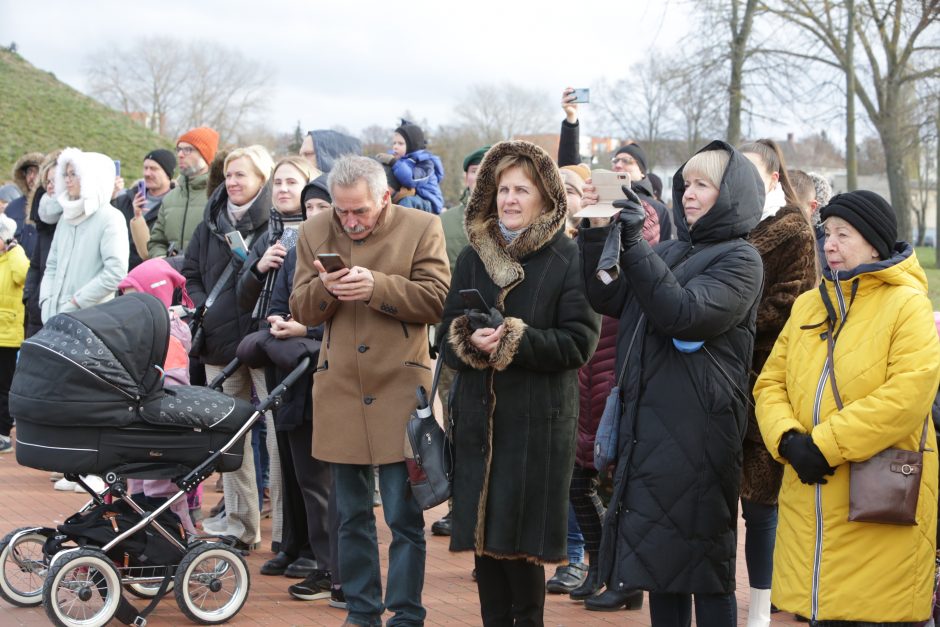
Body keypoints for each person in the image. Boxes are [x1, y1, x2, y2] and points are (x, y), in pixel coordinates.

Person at [579, 140, 764, 625]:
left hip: (700, 436)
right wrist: (596, 231)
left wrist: (638, 246)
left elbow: (683, 313)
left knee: (705, 570)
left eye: (703, 185)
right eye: (687, 184)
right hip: (652, 430)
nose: (688, 194)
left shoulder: (741, 260)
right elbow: (609, 296)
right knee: (659, 566)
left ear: (731, 195)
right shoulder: (673, 249)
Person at [754, 190, 940, 626]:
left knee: (875, 613)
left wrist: (823, 446)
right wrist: (788, 439)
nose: (830, 244)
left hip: (878, 500)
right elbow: (769, 383)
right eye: (827, 234)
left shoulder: (908, 305)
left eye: (844, 234)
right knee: (819, 610)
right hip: (809, 498)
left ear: (874, 243)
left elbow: (906, 396)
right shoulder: (807, 305)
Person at [440, 140, 600, 625]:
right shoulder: (473, 256)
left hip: (535, 424)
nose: (509, 199)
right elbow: (446, 335)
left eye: (521, 190)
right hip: (477, 426)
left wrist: (512, 339)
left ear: (546, 198)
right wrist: (469, 340)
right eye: (503, 189)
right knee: (486, 554)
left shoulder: (567, 256)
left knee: (522, 554)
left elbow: (579, 344)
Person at [290, 155, 450, 627]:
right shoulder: (314, 231)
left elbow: (437, 299)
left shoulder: (422, 226)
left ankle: (406, 614)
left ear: (385, 197)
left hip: (402, 386)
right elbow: (301, 306)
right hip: (339, 388)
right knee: (351, 515)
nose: (349, 221)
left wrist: (377, 286)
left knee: (404, 515)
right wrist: (326, 288)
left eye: (359, 210)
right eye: (342, 211)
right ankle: (361, 612)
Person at [737, 139, 818, 627]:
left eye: (750, 171)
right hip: (718, 377)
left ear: (772, 176)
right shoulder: (721, 224)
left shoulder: (793, 230)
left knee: (761, 504)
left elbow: (793, 302)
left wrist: (730, 317)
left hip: (767, 377)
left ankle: (763, 606)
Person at [183, 144, 273, 551]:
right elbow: (191, 272)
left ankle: (288, 536)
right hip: (221, 342)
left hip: (264, 340)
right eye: (230, 174)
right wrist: (205, 303)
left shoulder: (277, 222)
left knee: (275, 438)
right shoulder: (211, 223)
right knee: (228, 438)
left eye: (243, 175)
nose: (233, 182)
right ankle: (241, 525)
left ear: (262, 179)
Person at [235, 155, 319, 581]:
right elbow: (249, 293)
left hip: (309, 357)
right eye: (279, 182)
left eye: (293, 183)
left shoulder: (320, 241)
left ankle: (311, 549)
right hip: (274, 347)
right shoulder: (269, 234)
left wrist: (303, 327)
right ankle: (290, 543)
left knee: (305, 464)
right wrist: (258, 267)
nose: (284, 190)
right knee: (282, 452)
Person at [41, 148, 130, 493]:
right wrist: (50, 302)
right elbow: (52, 265)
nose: (67, 181)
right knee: (66, 396)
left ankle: (98, 471)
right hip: (59, 319)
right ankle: (75, 468)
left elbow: (115, 271)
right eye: (66, 174)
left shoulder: (109, 218)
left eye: (73, 174)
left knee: (92, 399)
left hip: (93, 322)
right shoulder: (67, 217)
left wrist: (77, 301)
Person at [430, 145, 489, 539]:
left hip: (498, 335)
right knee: (454, 421)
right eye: (474, 170)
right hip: (455, 333)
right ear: (466, 177)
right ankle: (457, 505)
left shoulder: (504, 220)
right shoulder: (446, 221)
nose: (480, 176)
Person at [118, 258, 197, 532]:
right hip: (142, 430)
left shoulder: (168, 339)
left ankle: (180, 542)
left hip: (161, 431)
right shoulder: (143, 333)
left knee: (161, 490)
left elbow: (174, 388)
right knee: (137, 485)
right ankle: (144, 543)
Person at [556, 88, 672, 241]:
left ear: (643, 172)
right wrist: (571, 119)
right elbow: (571, 171)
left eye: (627, 161)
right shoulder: (600, 197)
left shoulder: (658, 209)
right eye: (616, 160)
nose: (618, 165)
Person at [148, 127, 219, 264]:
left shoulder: (219, 196)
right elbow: (156, 241)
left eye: (188, 150)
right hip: (171, 279)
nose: (180, 154)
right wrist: (163, 260)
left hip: (205, 280)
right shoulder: (170, 198)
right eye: (179, 149)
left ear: (206, 156)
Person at [113, 149, 177, 269]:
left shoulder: (176, 205)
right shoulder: (126, 199)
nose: (147, 173)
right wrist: (112, 195)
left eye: (154, 169)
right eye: (145, 168)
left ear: (168, 173)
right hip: (119, 273)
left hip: (150, 275)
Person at [23, 150, 61, 338]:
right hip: (38, 306)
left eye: (56, 180)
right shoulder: (43, 216)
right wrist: (30, 295)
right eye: (48, 181)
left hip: (65, 306)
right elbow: (36, 264)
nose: (51, 187)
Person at [0, 215, 29, 454]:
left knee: (4, 385)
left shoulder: (15, 258)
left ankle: (3, 433)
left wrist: (14, 249)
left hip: (8, 333)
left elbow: (23, 275)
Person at [390, 120, 445, 214]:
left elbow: (411, 179)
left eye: (400, 143)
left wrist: (394, 162)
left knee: (406, 202)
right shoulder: (400, 161)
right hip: (415, 197)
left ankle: (402, 227)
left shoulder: (425, 163)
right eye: (394, 143)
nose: (395, 147)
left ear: (412, 145)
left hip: (429, 202)